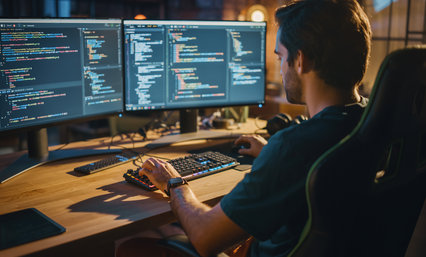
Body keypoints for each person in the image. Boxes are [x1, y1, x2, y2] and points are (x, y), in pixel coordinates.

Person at [117, 0, 372, 256]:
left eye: (281, 57)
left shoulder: (293, 146)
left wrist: (174, 183)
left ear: (301, 61)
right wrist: (272, 155)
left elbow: (205, 236)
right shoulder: (369, 120)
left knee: (131, 248)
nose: (281, 69)